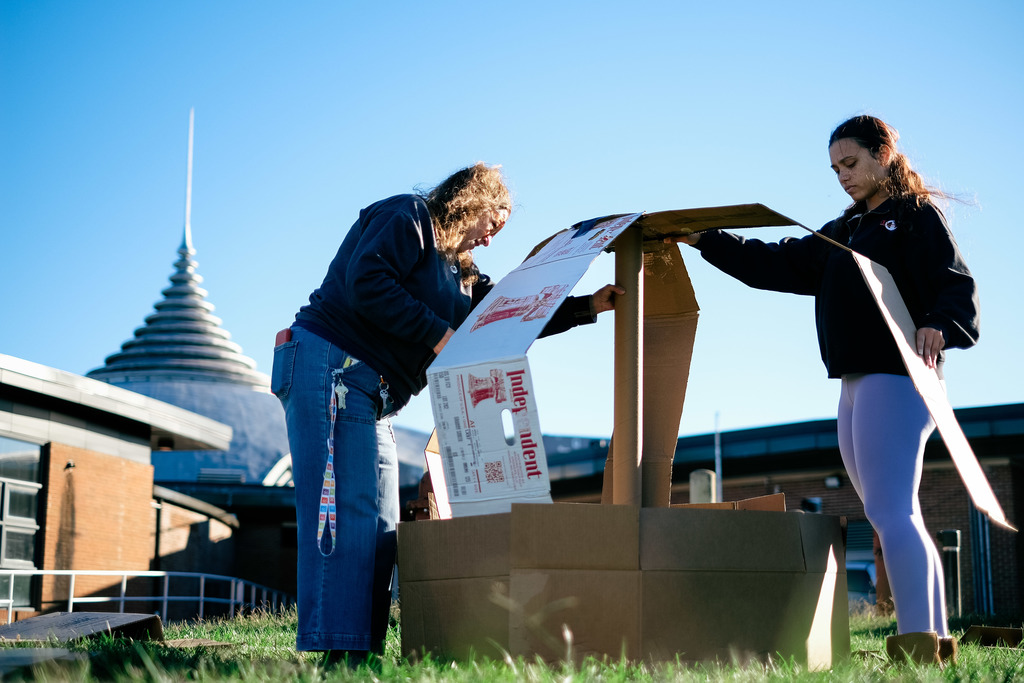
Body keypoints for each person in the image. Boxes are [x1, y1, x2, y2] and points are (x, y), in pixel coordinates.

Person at [271, 162, 624, 666]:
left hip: (371, 395)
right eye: (493, 221)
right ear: (471, 201)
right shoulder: (409, 216)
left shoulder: (463, 276)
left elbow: (509, 310)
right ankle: (338, 657)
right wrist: (437, 334)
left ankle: (357, 657)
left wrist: (587, 306)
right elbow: (366, 280)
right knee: (346, 517)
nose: (491, 237)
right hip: (331, 367)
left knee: (381, 525)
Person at [673, 116, 979, 665]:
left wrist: (940, 322)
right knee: (895, 512)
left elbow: (957, 285)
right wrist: (704, 239)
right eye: (835, 168)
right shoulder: (843, 231)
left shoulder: (915, 216)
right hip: (854, 383)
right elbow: (775, 261)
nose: (843, 176)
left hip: (900, 377)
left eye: (852, 163)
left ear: (884, 154)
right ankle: (933, 643)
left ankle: (917, 646)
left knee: (891, 512)